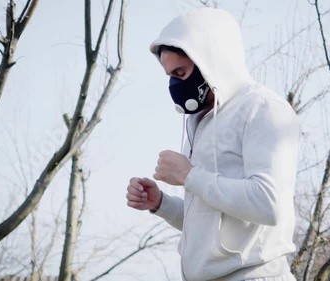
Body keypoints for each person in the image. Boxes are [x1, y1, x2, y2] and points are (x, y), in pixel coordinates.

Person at [126, 8, 299, 281]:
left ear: (210, 59)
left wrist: (189, 175)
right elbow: (214, 224)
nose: (174, 84)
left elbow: (270, 204)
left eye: (180, 72)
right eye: (170, 75)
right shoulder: (200, 122)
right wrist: (161, 203)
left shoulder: (263, 109)